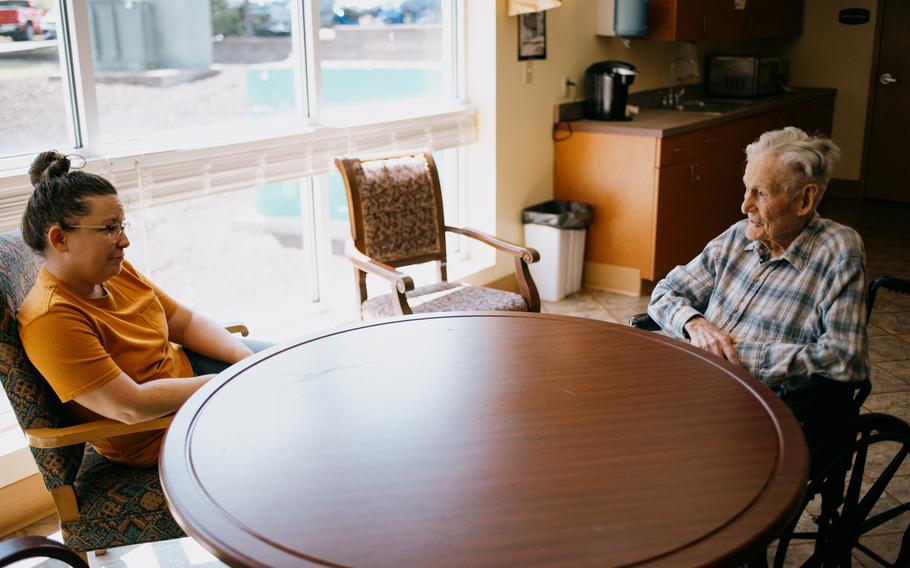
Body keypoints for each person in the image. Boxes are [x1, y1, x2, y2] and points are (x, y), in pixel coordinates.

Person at [16, 150, 268, 468]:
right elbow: (130, 406)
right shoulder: (51, 320)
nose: (124, 242)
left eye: (123, 227)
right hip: (161, 430)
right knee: (298, 418)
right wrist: (235, 380)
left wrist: (246, 362)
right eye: (109, 229)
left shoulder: (115, 271)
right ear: (60, 238)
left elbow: (185, 323)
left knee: (301, 370)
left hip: (192, 378)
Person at [647, 127, 869, 420]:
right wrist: (697, 325)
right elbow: (665, 293)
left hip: (760, 413)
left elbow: (846, 359)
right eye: (746, 189)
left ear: (805, 199)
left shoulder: (838, 250)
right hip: (694, 386)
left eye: (760, 193)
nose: (744, 206)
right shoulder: (737, 238)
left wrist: (738, 355)